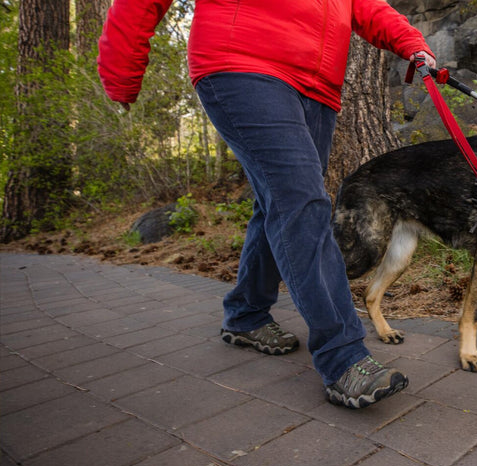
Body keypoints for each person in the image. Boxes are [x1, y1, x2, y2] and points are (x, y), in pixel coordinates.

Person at [97, 0, 436, 409]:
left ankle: (246, 314)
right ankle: (343, 357)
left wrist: (412, 43)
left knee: (278, 203)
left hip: (317, 88)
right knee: (303, 206)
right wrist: (122, 75)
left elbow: (366, 5)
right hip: (242, 64)